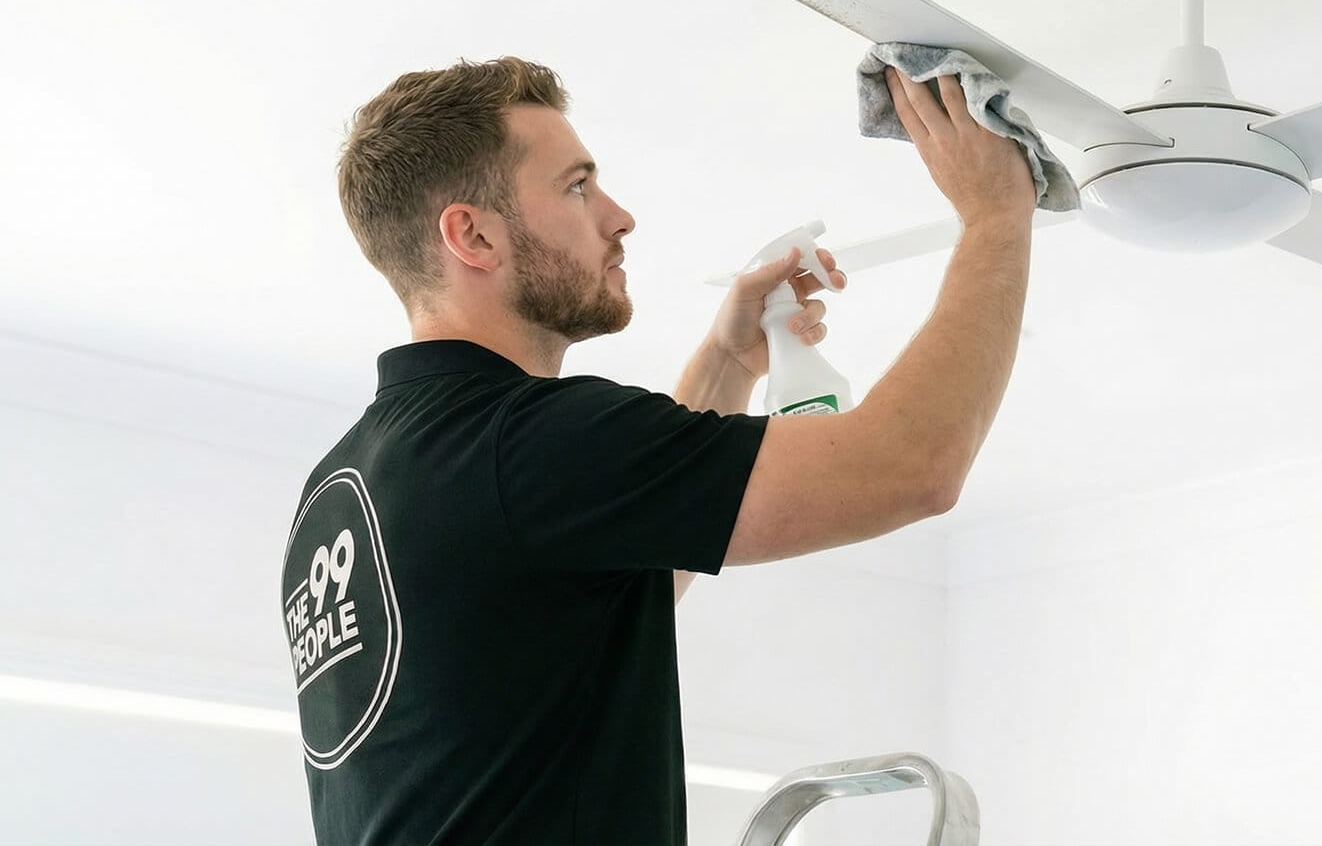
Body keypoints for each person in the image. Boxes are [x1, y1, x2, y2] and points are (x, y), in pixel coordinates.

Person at [279, 55, 1034, 844]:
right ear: (472, 234)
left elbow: (595, 589)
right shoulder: (528, 440)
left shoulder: (348, 481)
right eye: (576, 186)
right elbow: (907, 466)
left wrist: (728, 363)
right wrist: (995, 218)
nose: (619, 216)